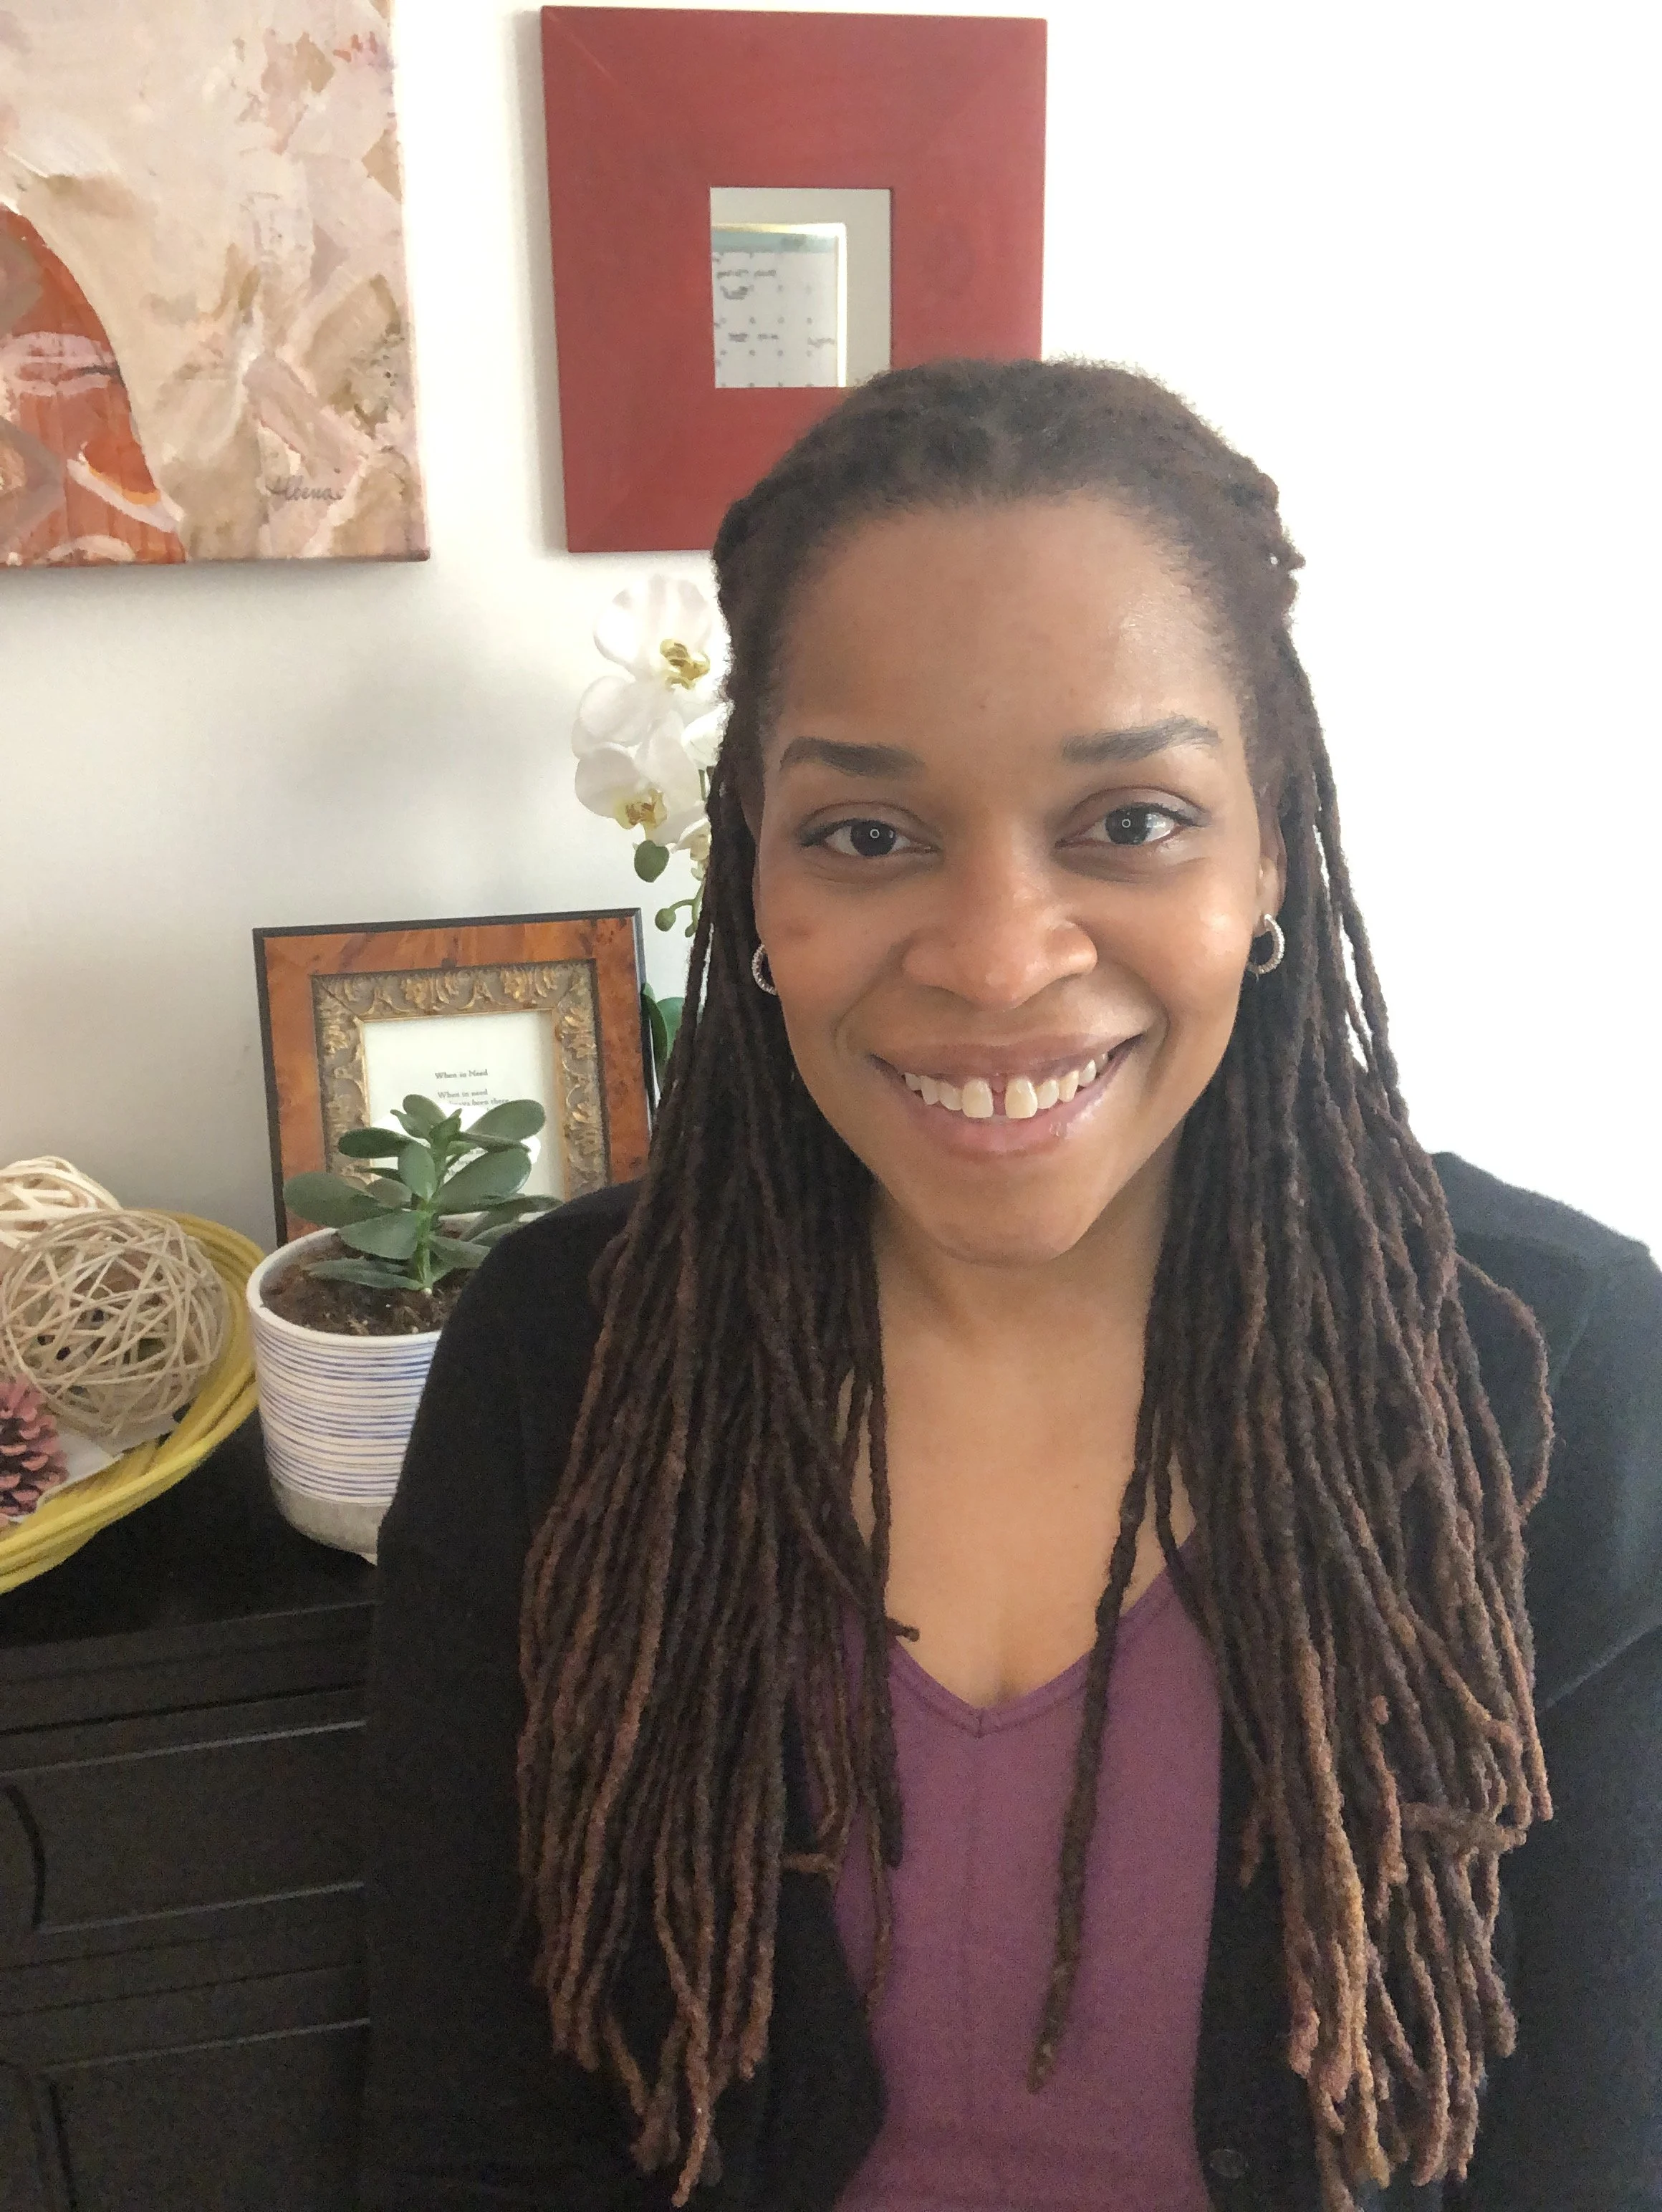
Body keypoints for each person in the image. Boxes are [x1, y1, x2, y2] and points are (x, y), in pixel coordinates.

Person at [359, 361, 1661, 2212]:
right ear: (756, 875)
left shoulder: (1565, 1386)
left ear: (1272, 848)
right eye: (869, 834)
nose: (993, 960)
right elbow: (470, 2142)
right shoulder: (560, 1375)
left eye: (1128, 821)